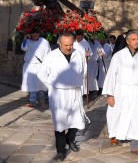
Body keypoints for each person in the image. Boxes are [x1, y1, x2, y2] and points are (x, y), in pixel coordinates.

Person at [37, 33, 88, 162]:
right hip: (58, 94)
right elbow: (41, 74)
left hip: (75, 92)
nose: (69, 47)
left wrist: (76, 83)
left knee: (77, 119)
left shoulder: (79, 55)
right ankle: (60, 151)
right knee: (60, 123)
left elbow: (83, 72)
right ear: (60, 43)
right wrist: (51, 85)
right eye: (66, 45)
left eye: (71, 44)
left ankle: (70, 140)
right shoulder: (52, 56)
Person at [102, 31, 138, 157]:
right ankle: (115, 135)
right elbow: (111, 75)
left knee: (137, 118)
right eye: (133, 39)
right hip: (121, 90)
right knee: (117, 114)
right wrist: (110, 95)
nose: (136, 41)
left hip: (137, 91)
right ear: (127, 42)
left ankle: (135, 146)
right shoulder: (118, 56)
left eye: (137, 39)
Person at [21, 29, 51, 107]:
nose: (33, 37)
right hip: (30, 66)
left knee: (41, 83)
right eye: (32, 36)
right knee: (32, 84)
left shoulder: (44, 42)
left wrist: (48, 65)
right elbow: (23, 48)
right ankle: (32, 100)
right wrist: (25, 39)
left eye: (35, 35)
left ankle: (42, 100)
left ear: (38, 34)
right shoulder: (28, 41)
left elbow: (48, 53)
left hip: (41, 65)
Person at [73, 29, 93, 96]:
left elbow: (91, 53)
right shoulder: (74, 43)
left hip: (83, 63)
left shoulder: (85, 43)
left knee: (82, 79)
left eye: (79, 38)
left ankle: (81, 94)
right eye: (77, 37)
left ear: (82, 36)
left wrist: (88, 55)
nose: (78, 39)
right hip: (74, 64)